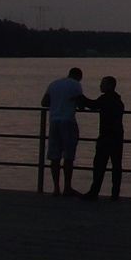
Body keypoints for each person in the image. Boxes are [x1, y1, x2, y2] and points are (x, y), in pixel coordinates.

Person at [40, 67, 86, 195]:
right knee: (68, 155)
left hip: (54, 120)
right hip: (68, 121)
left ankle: (56, 188)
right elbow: (81, 104)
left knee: (55, 155)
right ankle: (67, 187)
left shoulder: (54, 83)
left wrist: (57, 103)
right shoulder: (76, 85)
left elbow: (44, 102)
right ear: (79, 76)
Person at [81, 75, 125, 200]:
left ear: (110, 86)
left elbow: (93, 105)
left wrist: (80, 97)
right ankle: (115, 193)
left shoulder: (106, 99)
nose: (100, 86)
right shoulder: (118, 101)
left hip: (106, 136)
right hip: (117, 136)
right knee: (116, 165)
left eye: (103, 84)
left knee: (99, 164)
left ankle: (94, 191)